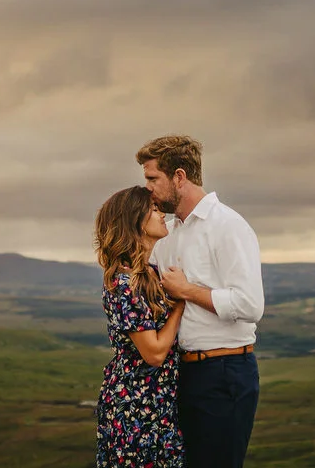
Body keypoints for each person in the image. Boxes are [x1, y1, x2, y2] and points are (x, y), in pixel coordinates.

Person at [138, 135, 263, 468]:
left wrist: (188, 290)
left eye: (153, 178)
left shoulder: (227, 226)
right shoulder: (168, 233)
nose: (148, 188)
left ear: (179, 176)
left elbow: (250, 305)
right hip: (181, 373)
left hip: (224, 372)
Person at [94, 186, 188, 468]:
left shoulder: (150, 273)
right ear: (135, 219)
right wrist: (180, 303)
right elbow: (154, 353)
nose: (162, 214)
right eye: (155, 209)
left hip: (159, 401)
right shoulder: (124, 283)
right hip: (135, 406)